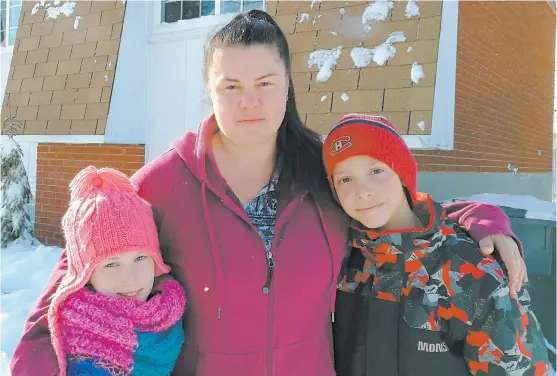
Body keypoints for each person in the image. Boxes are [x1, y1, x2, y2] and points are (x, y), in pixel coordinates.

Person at [10, 10, 527, 376]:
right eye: (230, 86)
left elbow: (397, 208)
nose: (249, 102)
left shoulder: (322, 174)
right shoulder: (162, 184)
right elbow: (65, 290)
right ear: (209, 90)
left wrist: (482, 218)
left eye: (265, 83)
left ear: (288, 85)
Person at [325, 114, 551, 376]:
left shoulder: (472, 273)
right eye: (345, 179)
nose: (362, 191)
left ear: (402, 174)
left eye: (376, 170)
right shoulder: (339, 260)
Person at [47, 166, 186, 376]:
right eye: (111, 264)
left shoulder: (168, 314)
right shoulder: (79, 338)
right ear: (86, 275)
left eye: (140, 258)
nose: (130, 280)